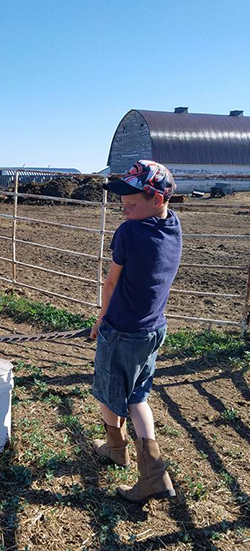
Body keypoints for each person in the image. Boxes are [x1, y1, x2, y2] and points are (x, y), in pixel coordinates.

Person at [90, 160, 182, 503]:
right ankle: (153, 473)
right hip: (153, 330)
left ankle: (119, 450)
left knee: (106, 391)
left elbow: (111, 280)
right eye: (122, 202)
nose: (124, 209)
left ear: (156, 199)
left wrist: (101, 319)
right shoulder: (173, 225)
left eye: (131, 203)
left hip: (122, 331)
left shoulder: (129, 232)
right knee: (137, 397)